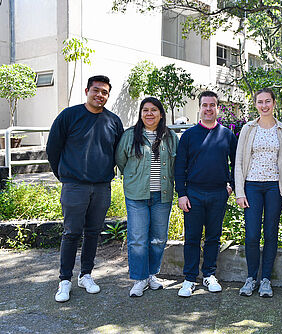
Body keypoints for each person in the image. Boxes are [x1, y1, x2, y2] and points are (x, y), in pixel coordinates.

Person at [47, 75, 124, 302]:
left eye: (105, 92)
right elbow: (53, 149)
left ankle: (86, 274)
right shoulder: (69, 116)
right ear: (87, 91)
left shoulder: (113, 121)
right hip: (74, 186)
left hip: (101, 186)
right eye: (96, 90)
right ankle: (64, 280)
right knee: (71, 232)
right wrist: (63, 176)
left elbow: (119, 152)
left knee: (93, 232)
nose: (100, 95)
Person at [174, 91, 237, 297]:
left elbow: (237, 164)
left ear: (217, 108)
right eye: (205, 105)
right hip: (194, 194)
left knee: (213, 237)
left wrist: (232, 186)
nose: (208, 109)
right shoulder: (189, 135)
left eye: (212, 105)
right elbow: (179, 166)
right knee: (192, 238)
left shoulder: (227, 135)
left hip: (218, 193)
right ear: (199, 108)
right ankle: (190, 278)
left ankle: (209, 275)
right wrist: (182, 194)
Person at [115, 97, 179, 297]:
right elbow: (121, 162)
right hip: (136, 195)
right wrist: (136, 179)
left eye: (153, 110)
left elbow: (177, 163)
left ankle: (152, 274)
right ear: (140, 113)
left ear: (161, 114)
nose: (149, 114)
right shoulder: (129, 136)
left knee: (159, 238)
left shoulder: (170, 137)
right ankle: (139, 278)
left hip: (163, 195)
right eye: (145, 110)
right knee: (137, 239)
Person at [235, 88, 282, 298]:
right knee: (251, 234)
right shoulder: (248, 129)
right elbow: (239, 162)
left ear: (274, 103)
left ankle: (266, 279)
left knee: (270, 233)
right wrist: (240, 192)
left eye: (268, 101)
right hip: (252, 186)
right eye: (260, 102)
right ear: (255, 104)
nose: (264, 105)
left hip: (274, 188)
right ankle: (251, 278)